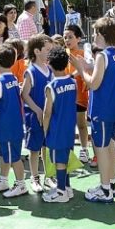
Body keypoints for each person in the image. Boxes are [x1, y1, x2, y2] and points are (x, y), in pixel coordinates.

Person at [69, 17, 115, 203]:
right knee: (109, 146)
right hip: (113, 109)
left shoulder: (102, 55)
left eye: (95, 33)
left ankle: (104, 189)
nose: (93, 36)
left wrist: (80, 69)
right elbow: (106, 72)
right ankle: (111, 183)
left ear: (102, 35)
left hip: (102, 109)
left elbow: (93, 84)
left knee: (100, 149)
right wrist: (88, 65)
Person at [0, 45, 27, 197]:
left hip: (6, 128)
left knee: (14, 158)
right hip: (14, 126)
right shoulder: (14, 79)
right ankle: (3, 180)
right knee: (5, 155)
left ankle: (21, 185)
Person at [41, 47, 78, 203]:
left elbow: (47, 112)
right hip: (70, 129)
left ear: (49, 63)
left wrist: (44, 129)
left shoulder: (51, 86)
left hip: (57, 130)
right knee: (66, 157)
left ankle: (61, 191)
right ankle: (67, 187)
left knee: (59, 162)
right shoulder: (73, 83)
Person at [21, 34, 55, 194]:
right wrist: (37, 110)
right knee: (34, 149)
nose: (50, 52)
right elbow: (24, 94)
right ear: (37, 51)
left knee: (47, 146)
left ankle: (49, 176)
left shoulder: (50, 70)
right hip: (34, 116)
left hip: (48, 115)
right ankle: (34, 178)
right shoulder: (31, 72)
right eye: (47, 49)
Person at [63, 24, 90, 163]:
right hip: (65, 95)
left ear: (78, 39)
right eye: (65, 37)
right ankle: (69, 150)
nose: (67, 40)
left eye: (70, 37)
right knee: (68, 125)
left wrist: (72, 76)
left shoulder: (83, 54)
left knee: (81, 124)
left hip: (79, 95)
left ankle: (84, 149)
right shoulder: (62, 54)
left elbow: (83, 70)